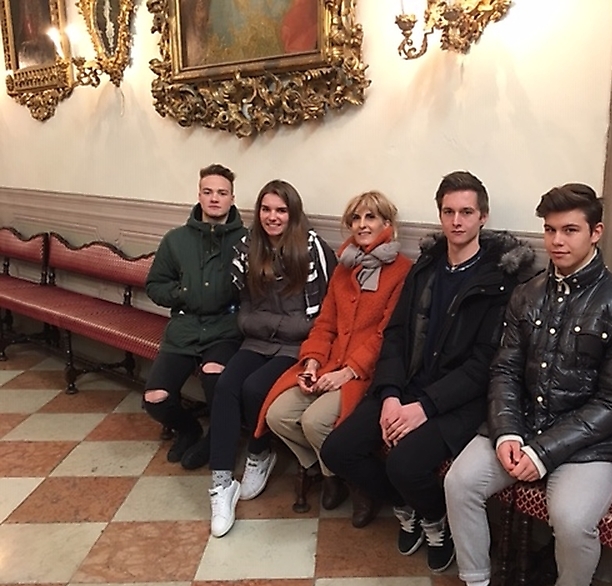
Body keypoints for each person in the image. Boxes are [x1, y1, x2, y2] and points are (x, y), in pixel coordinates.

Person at [443, 183, 612, 586]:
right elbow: (504, 369)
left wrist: (543, 452)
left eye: (570, 230)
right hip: (522, 426)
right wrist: (506, 432)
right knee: (459, 482)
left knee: (573, 521)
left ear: (596, 232)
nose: (557, 241)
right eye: (550, 229)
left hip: (589, 445)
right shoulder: (527, 293)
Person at [320, 171, 536, 573]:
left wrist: (423, 408)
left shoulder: (500, 282)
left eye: (466, 212)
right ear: (440, 215)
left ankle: (437, 521)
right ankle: (407, 505)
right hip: (407, 386)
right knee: (338, 450)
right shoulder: (426, 268)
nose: (457, 221)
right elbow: (396, 335)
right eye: (449, 212)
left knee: (404, 464)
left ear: (483, 217)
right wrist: (389, 395)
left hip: (458, 401)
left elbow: (485, 364)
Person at [259, 191, 412, 514]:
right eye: (356, 218)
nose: (362, 225)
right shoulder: (345, 267)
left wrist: (349, 371)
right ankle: (328, 472)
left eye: (370, 217)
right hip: (329, 364)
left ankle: (356, 482)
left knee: (315, 422)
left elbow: (387, 336)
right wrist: (312, 362)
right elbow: (325, 322)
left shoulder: (402, 271)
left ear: (387, 223)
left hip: (365, 373)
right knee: (277, 415)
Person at [207, 179, 336, 538]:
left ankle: (259, 453)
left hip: (297, 347)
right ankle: (221, 484)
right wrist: (263, 324)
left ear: (293, 213)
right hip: (256, 340)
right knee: (226, 386)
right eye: (266, 209)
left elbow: (323, 315)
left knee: (255, 388)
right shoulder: (249, 246)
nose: (272, 217)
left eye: (281, 210)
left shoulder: (311, 248)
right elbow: (244, 307)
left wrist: (279, 326)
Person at [143, 164, 245, 469]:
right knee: (155, 398)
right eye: (208, 191)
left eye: (222, 193)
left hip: (226, 328)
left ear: (232, 198)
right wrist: (183, 293)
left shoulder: (248, 241)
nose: (214, 198)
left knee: (215, 376)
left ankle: (215, 438)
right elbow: (155, 285)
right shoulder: (176, 240)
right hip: (184, 327)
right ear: (199, 195)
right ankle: (188, 429)